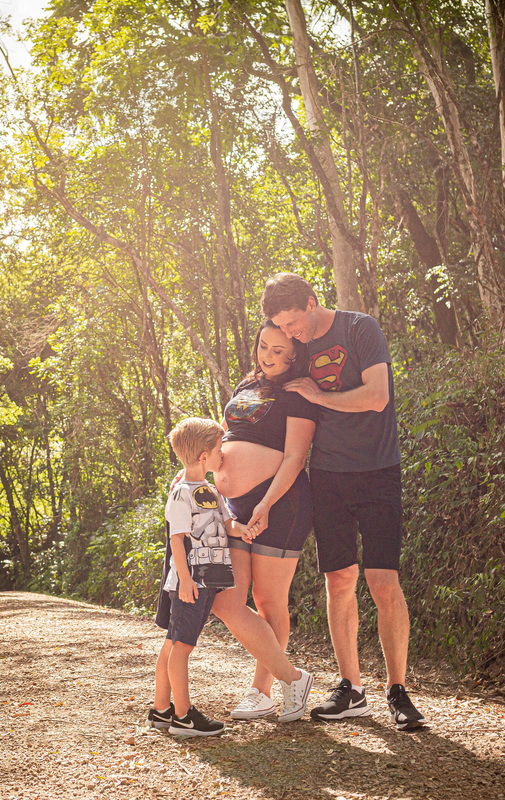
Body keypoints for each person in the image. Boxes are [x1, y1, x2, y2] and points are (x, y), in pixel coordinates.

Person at [262, 272, 428, 732]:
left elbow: (377, 397)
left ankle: (397, 691)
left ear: (313, 303)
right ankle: (351, 689)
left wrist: (319, 394)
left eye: (294, 323)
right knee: (339, 581)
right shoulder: (296, 349)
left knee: (382, 583)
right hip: (329, 476)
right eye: (282, 326)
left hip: (378, 473)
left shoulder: (360, 329)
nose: (290, 333)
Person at [148, 418, 314, 736]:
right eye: (219, 450)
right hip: (190, 581)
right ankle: (182, 717)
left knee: (175, 642)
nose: (224, 454)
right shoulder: (181, 494)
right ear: (203, 457)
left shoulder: (210, 491)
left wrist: (247, 528)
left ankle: (161, 711)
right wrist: (184, 579)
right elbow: (177, 541)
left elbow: (228, 525)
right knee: (179, 646)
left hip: (208, 580)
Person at [212, 320, 318, 720]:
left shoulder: (298, 394)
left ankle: (262, 691)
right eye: (264, 347)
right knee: (226, 602)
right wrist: (196, 472)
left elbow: (295, 457)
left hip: (281, 503)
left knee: (269, 600)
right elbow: (223, 440)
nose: (268, 356)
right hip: (236, 508)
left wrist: (267, 503)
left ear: (295, 356)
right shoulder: (245, 387)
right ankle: (293, 678)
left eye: (278, 351)